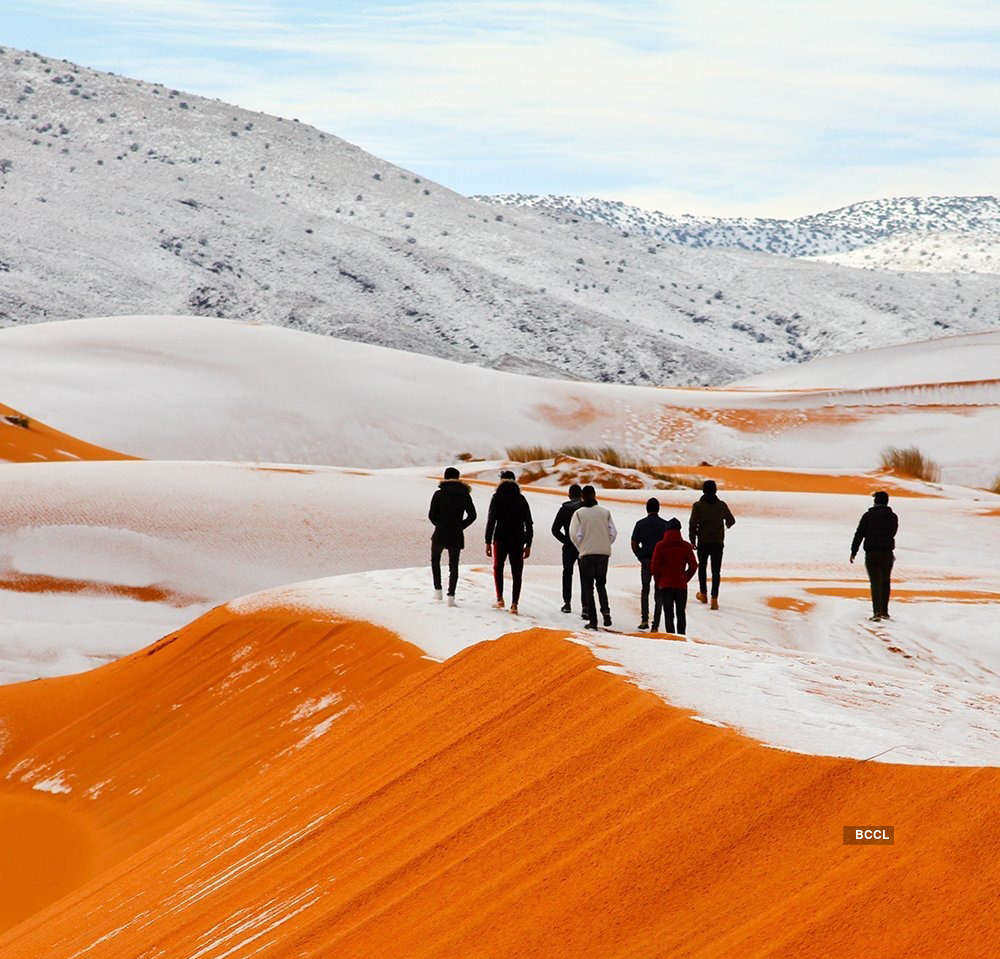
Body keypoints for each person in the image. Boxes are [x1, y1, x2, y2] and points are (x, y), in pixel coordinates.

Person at [569, 485, 617, 630]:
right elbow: (613, 532)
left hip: (586, 554)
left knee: (588, 586)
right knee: (601, 584)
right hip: (603, 553)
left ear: (582, 497)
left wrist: (581, 546)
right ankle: (606, 613)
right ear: (595, 495)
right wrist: (604, 543)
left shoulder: (579, 513)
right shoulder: (605, 512)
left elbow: (574, 534)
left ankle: (593, 621)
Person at [485, 470, 534, 614]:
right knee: (517, 572)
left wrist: (487, 541)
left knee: (498, 567)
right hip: (518, 539)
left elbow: (491, 520)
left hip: (500, 538)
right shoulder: (521, 499)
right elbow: (529, 523)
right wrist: (529, 543)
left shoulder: (496, 497)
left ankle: (500, 599)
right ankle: (514, 604)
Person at [428, 467, 477, 606]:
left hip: (440, 532)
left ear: (445, 477)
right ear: (458, 477)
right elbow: (473, 515)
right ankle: (451, 596)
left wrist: (440, 524)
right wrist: (460, 526)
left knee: (435, 560)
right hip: (456, 534)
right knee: (453, 565)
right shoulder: (464, 494)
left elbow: (431, 515)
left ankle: (437, 591)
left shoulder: (438, 494)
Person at [851, 490, 899, 622]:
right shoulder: (893, 517)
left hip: (872, 553)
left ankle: (876, 612)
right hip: (887, 553)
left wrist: (853, 551)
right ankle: (884, 611)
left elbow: (859, 533)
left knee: (875, 582)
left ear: (875, 501)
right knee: (885, 581)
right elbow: (893, 532)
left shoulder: (868, 516)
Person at [689, 479, 735, 610]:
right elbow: (731, 520)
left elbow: (692, 524)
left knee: (702, 568)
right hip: (717, 542)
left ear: (703, 490)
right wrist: (725, 526)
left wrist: (692, 540)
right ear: (715, 490)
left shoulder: (697, 506)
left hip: (703, 542)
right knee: (716, 571)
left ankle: (703, 594)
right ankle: (714, 599)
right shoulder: (721, 505)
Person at [650, 518, 698, 634]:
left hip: (665, 585)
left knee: (668, 614)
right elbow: (694, 565)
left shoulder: (660, 546)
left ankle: (671, 638)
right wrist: (685, 578)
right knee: (681, 613)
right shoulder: (685, 546)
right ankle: (681, 636)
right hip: (681, 585)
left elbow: (654, 567)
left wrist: (659, 581)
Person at [631, 497, 669, 630]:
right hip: (660, 563)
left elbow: (634, 543)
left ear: (647, 508)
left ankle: (644, 620)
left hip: (646, 560)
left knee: (645, 590)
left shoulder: (640, 524)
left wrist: (640, 556)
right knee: (659, 592)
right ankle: (656, 624)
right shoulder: (665, 525)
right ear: (658, 508)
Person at [551, 484, 585, 613]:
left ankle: (567, 603)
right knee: (585, 576)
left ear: (569, 495)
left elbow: (554, 529)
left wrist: (566, 540)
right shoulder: (585, 508)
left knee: (567, 573)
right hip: (583, 546)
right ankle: (585, 607)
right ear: (581, 495)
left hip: (569, 545)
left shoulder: (564, 509)